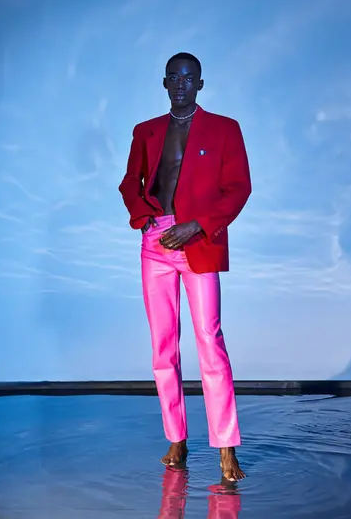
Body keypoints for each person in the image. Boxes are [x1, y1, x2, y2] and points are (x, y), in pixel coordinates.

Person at [119, 52, 251, 481]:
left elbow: (238, 188)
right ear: (164, 83)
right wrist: (145, 222)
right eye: (174, 77)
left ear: (200, 84)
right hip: (156, 242)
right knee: (163, 347)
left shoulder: (225, 129)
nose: (181, 83)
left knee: (210, 341)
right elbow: (130, 183)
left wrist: (196, 225)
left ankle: (226, 447)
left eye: (189, 77)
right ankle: (176, 438)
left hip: (199, 239)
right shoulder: (146, 131)